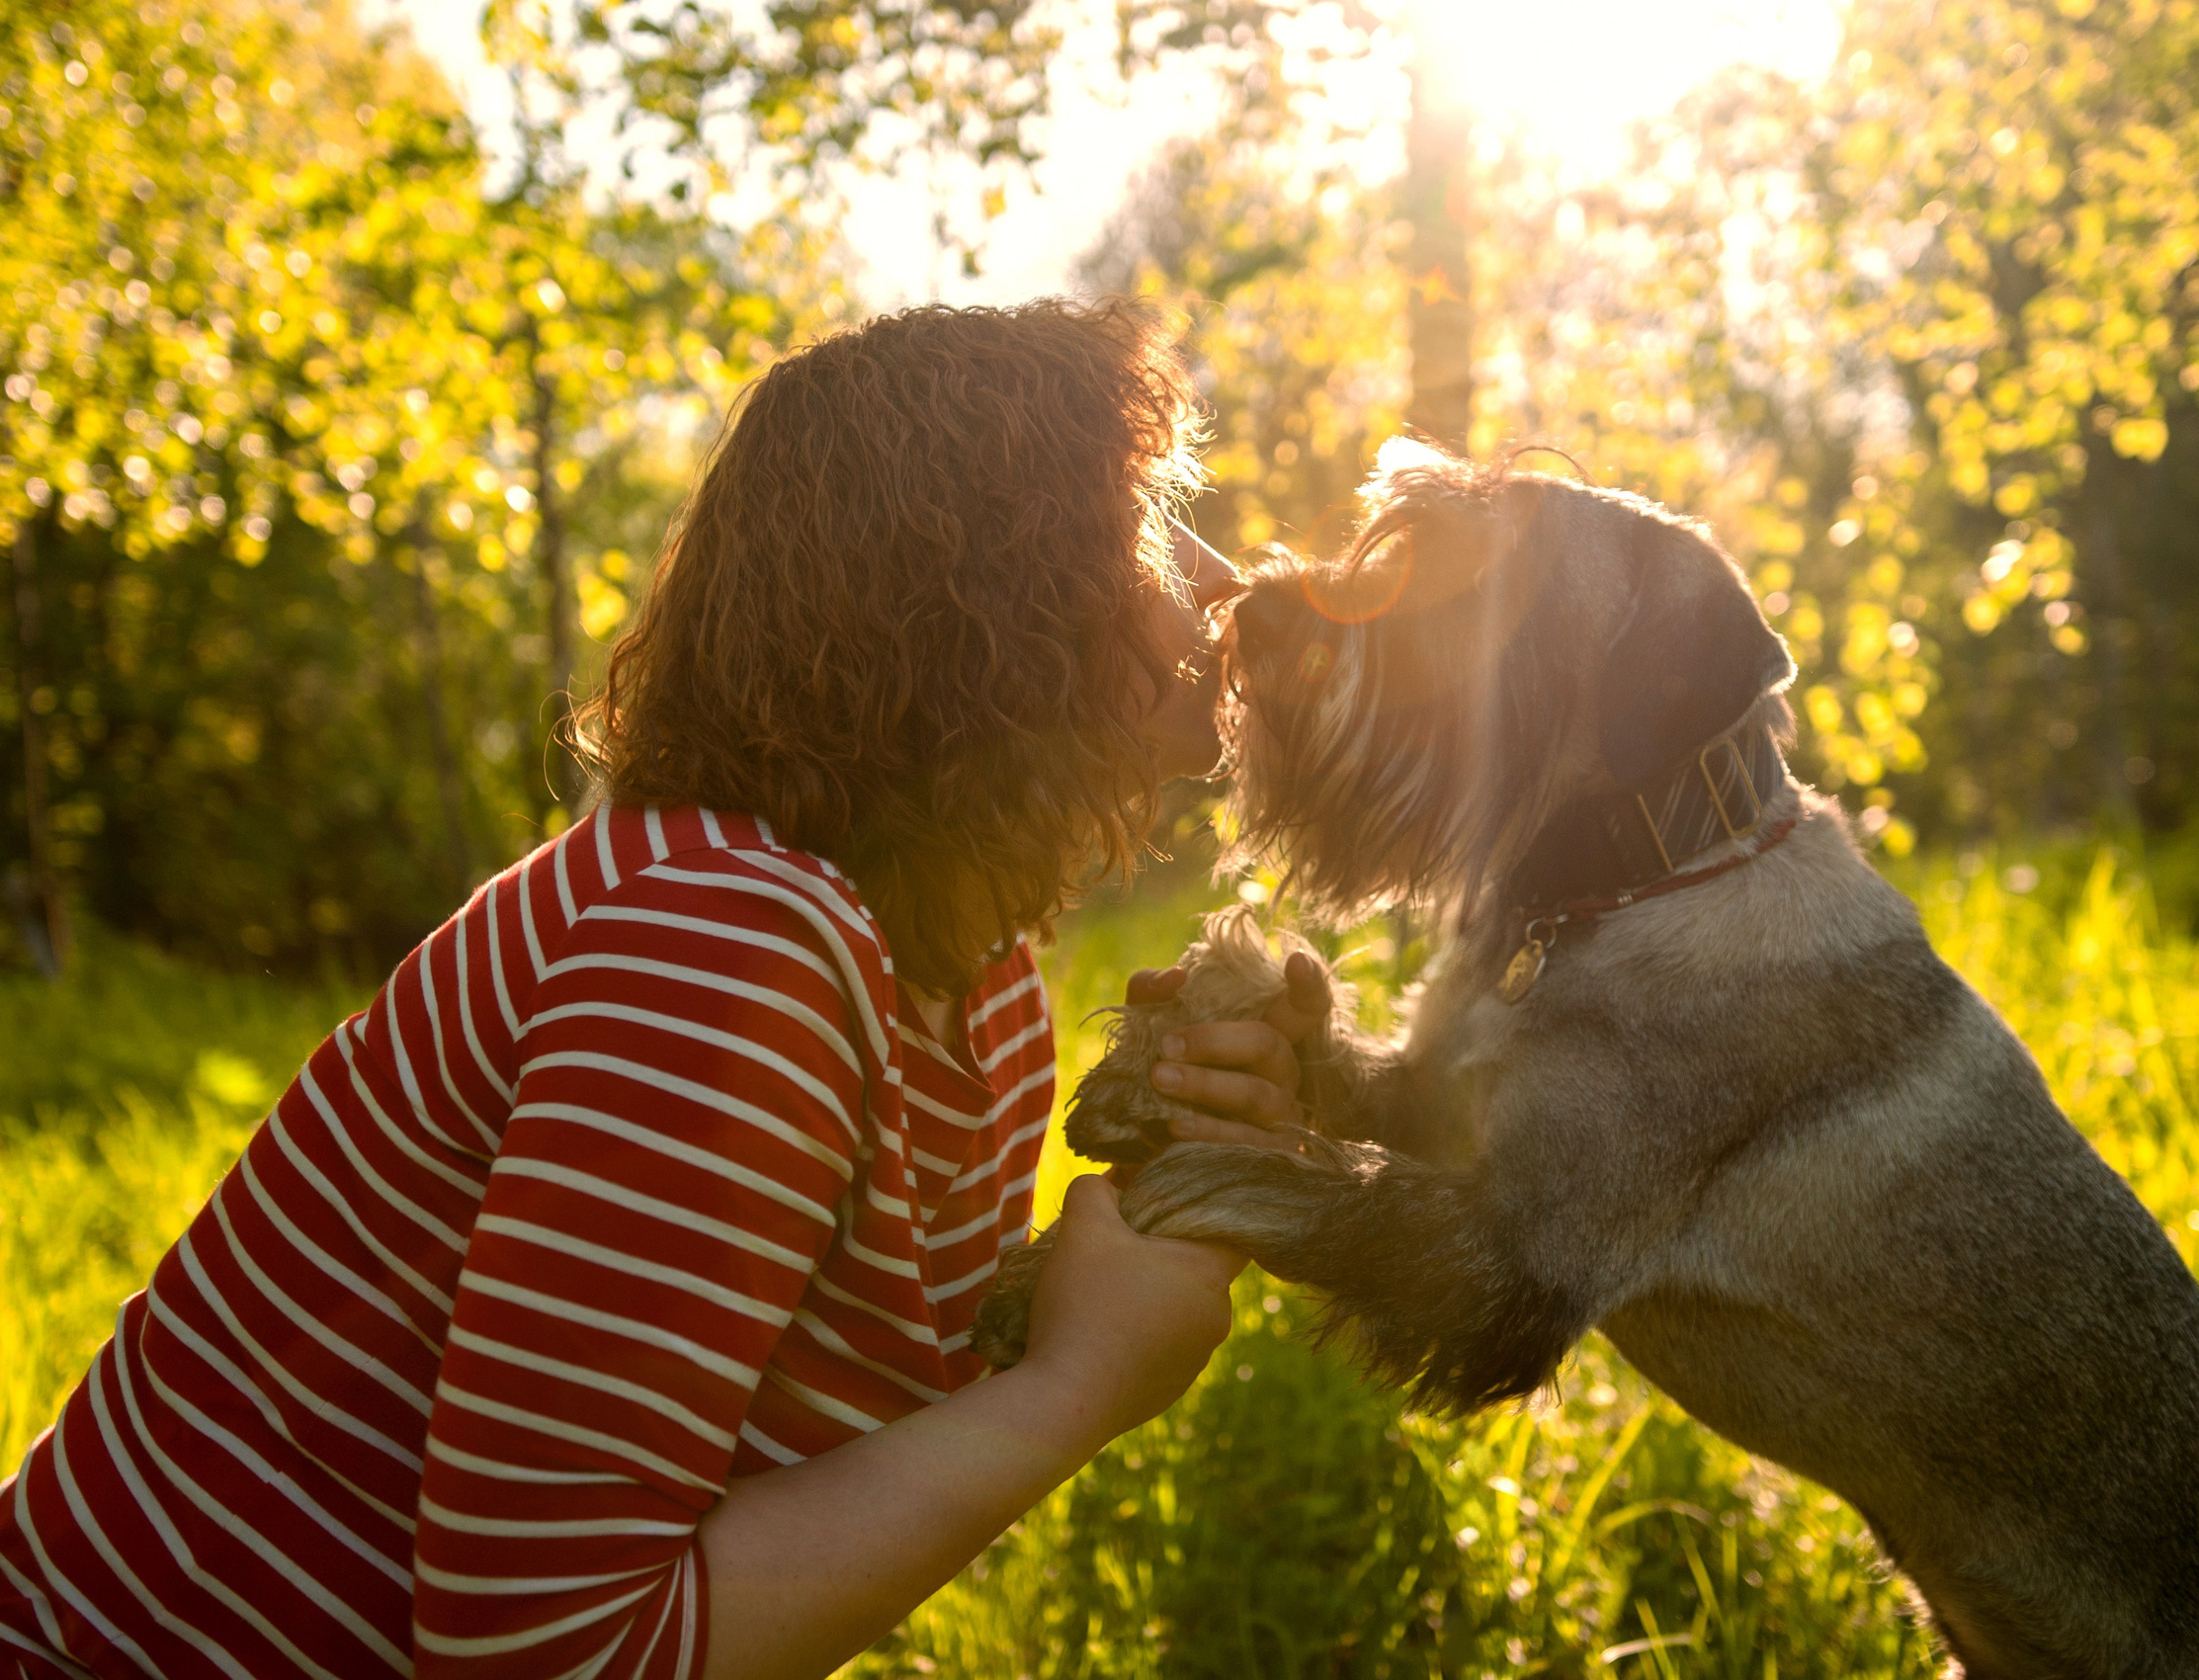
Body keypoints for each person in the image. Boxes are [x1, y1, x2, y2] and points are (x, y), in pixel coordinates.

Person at [0, 299, 1327, 1680]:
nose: (1222, 574)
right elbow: (535, 1653)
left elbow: (802, 1426)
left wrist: (1148, 1199)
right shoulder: (720, 945)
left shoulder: (972, 988)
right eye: (1153, 520)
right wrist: (1073, 1391)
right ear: (993, 593)